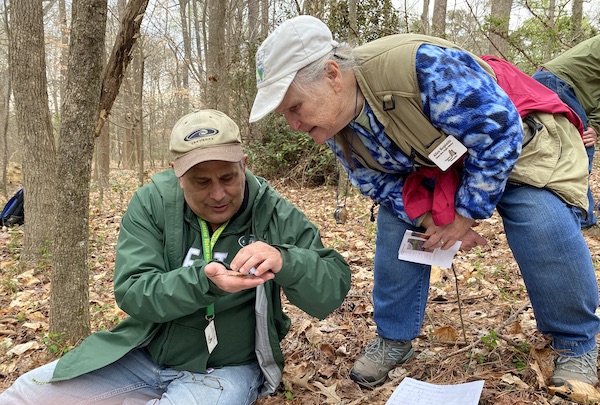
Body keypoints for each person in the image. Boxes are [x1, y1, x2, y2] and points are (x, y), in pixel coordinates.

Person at [250, 15, 600, 389]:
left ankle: (576, 343)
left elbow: (499, 134)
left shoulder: (420, 67)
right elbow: (374, 182)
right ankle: (394, 337)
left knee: (538, 217)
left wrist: (465, 215)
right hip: (441, 167)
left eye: (294, 108)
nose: (293, 125)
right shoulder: (336, 126)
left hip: (521, 144)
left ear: (333, 75)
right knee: (396, 225)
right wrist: (427, 217)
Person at [0, 109, 351, 404]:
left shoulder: (271, 210)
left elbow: (332, 288)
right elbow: (133, 292)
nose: (218, 194)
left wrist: (285, 259)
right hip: (141, 354)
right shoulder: (152, 203)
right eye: (201, 182)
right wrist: (203, 282)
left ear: (244, 164)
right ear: (178, 174)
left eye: (228, 177)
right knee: (23, 395)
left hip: (225, 368)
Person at [532, 34, 600, 235]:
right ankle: (583, 221)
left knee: (558, 153)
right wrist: (595, 127)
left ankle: (568, 212)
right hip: (560, 83)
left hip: (544, 80)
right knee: (581, 148)